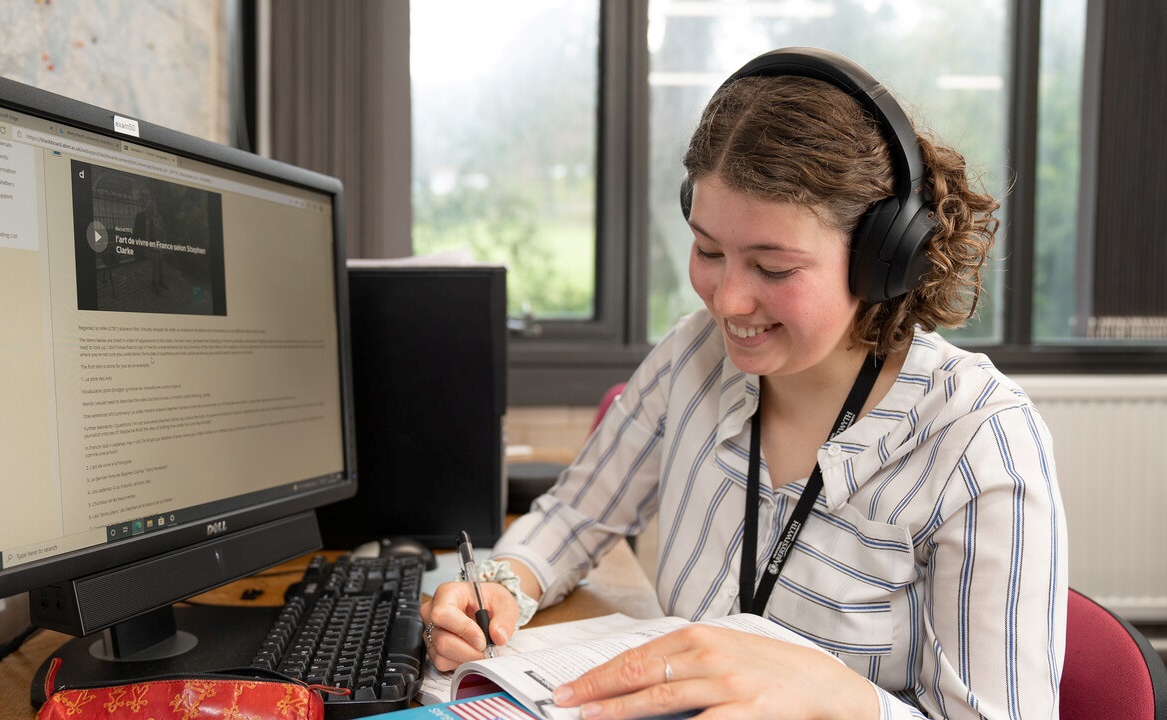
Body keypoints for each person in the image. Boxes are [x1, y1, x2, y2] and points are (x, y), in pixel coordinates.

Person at [420, 47, 1067, 720]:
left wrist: (838, 697)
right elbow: (578, 515)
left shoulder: (981, 442)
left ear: (883, 260)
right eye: (707, 252)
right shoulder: (693, 355)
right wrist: (500, 584)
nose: (727, 302)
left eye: (773, 267)